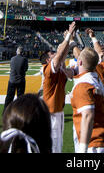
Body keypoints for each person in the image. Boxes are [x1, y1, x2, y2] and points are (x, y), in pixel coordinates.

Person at [70, 47, 104, 153]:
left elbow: (88, 115)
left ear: (80, 62)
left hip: (95, 144)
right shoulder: (96, 79)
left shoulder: (83, 85)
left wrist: (82, 148)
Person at [42, 22, 76, 153]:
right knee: (53, 147)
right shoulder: (48, 69)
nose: (55, 54)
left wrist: (69, 39)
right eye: (52, 54)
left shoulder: (58, 68)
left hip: (58, 111)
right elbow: (59, 57)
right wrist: (67, 39)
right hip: (51, 113)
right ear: (47, 60)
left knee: (57, 146)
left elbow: (61, 54)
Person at [3, 46, 28, 113]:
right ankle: (19, 112)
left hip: (12, 80)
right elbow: (26, 69)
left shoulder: (12, 58)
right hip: (21, 80)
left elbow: (11, 67)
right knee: (20, 98)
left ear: (17, 51)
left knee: (9, 97)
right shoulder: (24, 59)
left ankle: (5, 112)